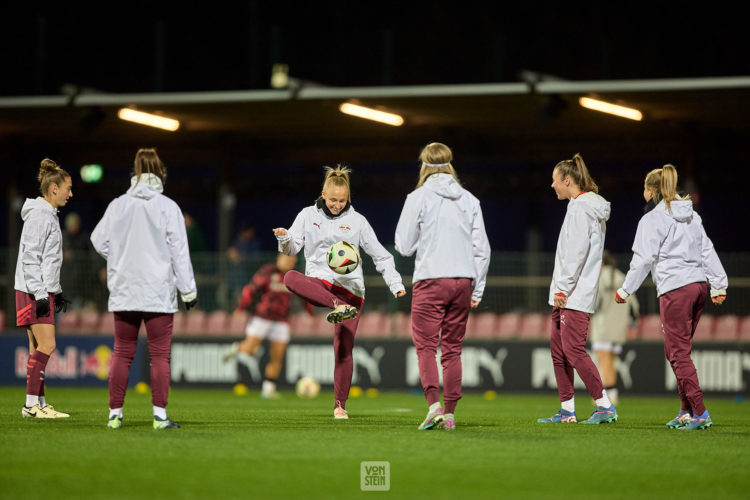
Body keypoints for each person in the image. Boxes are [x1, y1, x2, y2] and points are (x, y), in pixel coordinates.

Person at [273, 164, 406, 419]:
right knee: (289, 276)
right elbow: (291, 250)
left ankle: (339, 406)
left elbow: (381, 256)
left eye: (342, 200)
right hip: (322, 287)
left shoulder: (358, 222)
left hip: (351, 292)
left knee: (343, 349)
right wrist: (284, 238)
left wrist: (396, 284)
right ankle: (337, 305)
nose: (337, 204)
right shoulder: (306, 215)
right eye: (333, 199)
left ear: (348, 198)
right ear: (323, 194)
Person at [91, 148, 198, 430]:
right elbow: (179, 252)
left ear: (135, 173)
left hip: (125, 289)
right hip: (158, 291)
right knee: (160, 356)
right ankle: (159, 417)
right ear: (160, 173)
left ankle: (115, 415)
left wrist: (120, 258)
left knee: (122, 352)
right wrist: (188, 290)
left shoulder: (118, 205)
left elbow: (97, 240)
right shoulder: (168, 207)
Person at [614, 164, 727, 430]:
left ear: (651, 190)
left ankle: (700, 412)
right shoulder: (693, 216)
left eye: (644, 188)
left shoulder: (652, 219)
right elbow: (707, 249)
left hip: (675, 289)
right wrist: (718, 284)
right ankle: (685, 410)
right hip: (698, 286)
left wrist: (625, 289)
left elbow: (643, 259)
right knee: (675, 351)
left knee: (678, 353)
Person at [394, 142, 491, 431]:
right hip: (462, 280)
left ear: (424, 165)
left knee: (426, 347)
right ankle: (449, 414)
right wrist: (478, 289)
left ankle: (433, 406)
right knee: (452, 350)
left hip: (431, 279)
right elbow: (482, 250)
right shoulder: (470, 200)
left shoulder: (417, 197)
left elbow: (403, 246)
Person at [537, 153, 617, 425]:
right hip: (566, 293)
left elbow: (577, 253)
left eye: (554, 180)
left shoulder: (582, 209)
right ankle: (567, 410)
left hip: (572, 295)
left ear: (567, 180)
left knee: (573, 351)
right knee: (559, 353)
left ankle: (605, 405)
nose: (552, 185)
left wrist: (563, 289)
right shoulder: (578, 207)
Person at [15, 158, 72, 419]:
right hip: (32, 290)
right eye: (68, 188)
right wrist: (40, 294)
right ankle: (30, 406)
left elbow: (48, 261)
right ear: (53, 189)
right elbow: (30, 258)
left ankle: (38, 402)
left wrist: (55, 290)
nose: (71, 194)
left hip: (38, 289)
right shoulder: (40, 216)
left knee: (37, 347)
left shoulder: (46, 215)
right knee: (47, 345)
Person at [223, 253, 314, 398]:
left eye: (292, 260)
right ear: (279, 258)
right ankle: (237, 348)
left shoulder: (294, 276)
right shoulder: (267, 272)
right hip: (262, 317)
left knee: (277, 356)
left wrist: (310, 313)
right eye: (286, 258)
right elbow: (250, 290)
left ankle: (268, 389)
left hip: (282, 320)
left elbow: (305, 295)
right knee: (250, 349)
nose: (289, 262)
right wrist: (241, 308)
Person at [590, 250, 639, 406]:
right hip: (619, 328)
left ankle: (607, 395)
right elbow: (634, 305)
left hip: (603, 327)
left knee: (604, 362)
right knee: (611, 362)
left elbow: (594, 304)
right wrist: (632, 321)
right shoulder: (622, 277)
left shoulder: (598, 278)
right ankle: (613, 393)